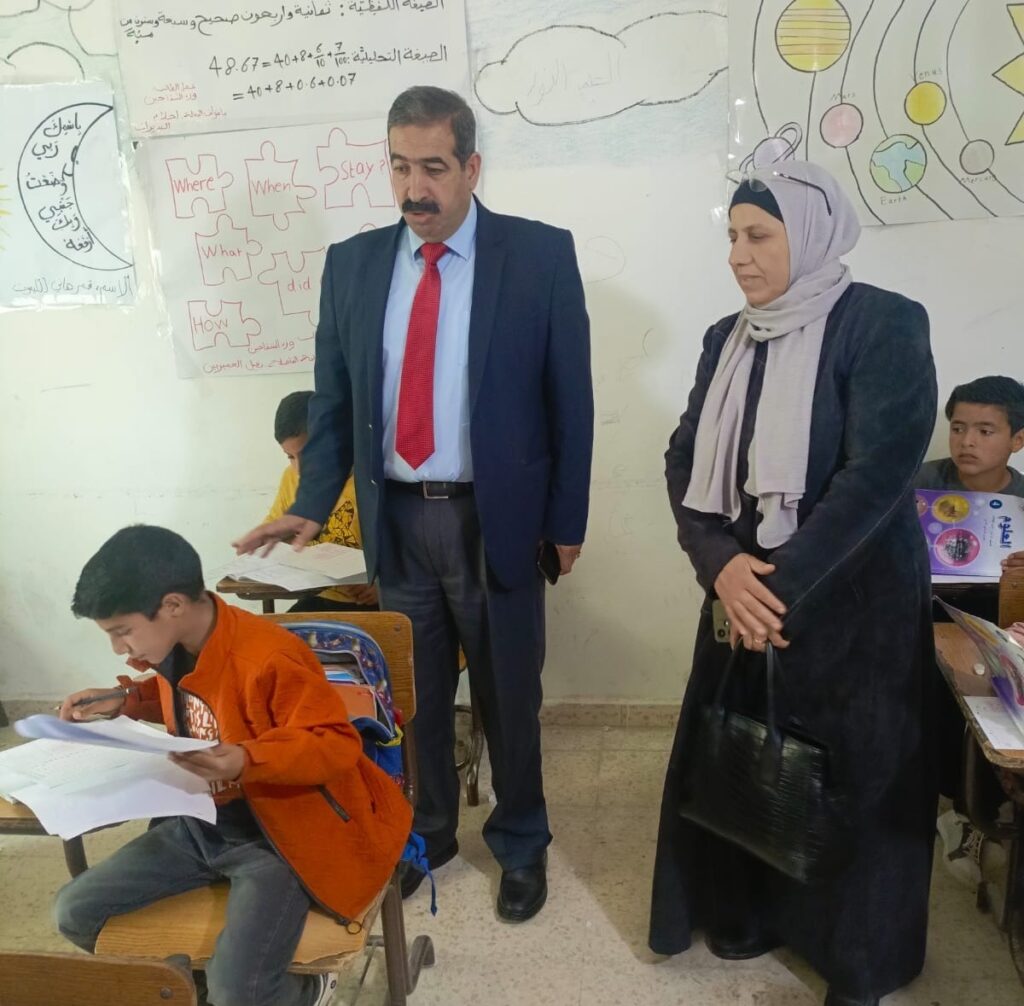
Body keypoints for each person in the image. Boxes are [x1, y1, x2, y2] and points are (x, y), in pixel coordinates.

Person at [233, 86, 593, 923]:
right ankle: (427, 832)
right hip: (396, 520)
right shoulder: (354, 264)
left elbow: (570, 400)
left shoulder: (536, 256)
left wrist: (566, 521)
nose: (413, 189)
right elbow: (333, 402)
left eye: (433, 168)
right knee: (415, 693)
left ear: (472, 167)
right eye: (399, 167)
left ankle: (521, 841)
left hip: (493, 518)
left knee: (508, 692)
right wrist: (312, 503)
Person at [649, 163, 939, 1006]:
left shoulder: (884, 323)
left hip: (853, 605)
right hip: (741, 595)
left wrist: (771, 590)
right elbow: (684, 458)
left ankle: (858, 961)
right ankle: (752, 915)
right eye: (732, 236)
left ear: (809, 236)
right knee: (749, 761)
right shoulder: (728, 337)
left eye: (758, 235)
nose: (738, 255)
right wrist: (720, 565)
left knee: (856, 780)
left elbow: (876, 477)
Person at [53, 525, 411, 1006]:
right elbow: (198, 699)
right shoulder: (177, 647)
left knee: (241, 991)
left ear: (173, 605)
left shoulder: (269, 656)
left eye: (122, 632)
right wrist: (127, 699)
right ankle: (197, 989)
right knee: (73, 912)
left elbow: (334, 743)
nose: (120, 648)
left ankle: (309, 990)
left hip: (276, 838)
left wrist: (246, 758)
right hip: (201, 824)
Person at [265, 390, 378, 612]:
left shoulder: (372, 479)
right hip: (319, 595)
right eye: (290, 457)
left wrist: (383, 586)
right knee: (275, 632)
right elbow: (272, 535)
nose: (299, 468)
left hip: (373, 603)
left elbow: (411, 550)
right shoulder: (291, 478)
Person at [915, 375, 1024, 496]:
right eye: (957, 429)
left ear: (1018, 440)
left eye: (985, 432)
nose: (966, 442)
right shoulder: (915, 481)